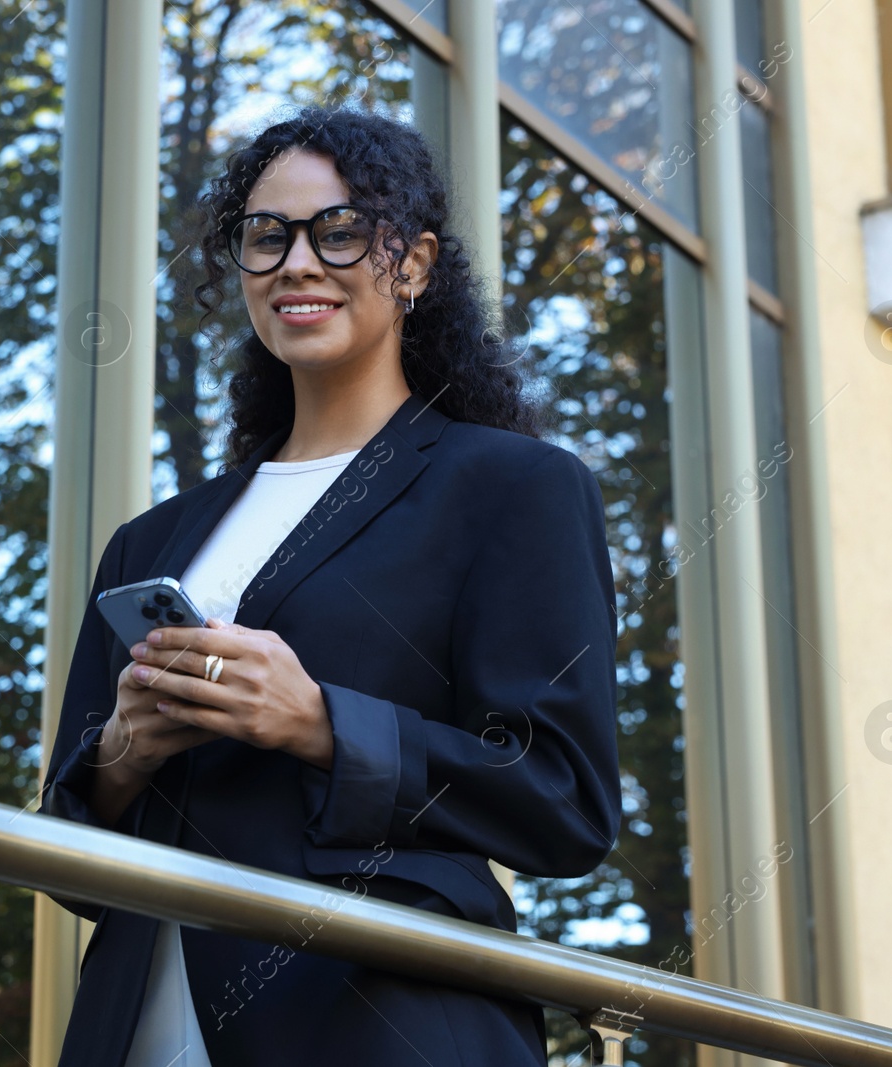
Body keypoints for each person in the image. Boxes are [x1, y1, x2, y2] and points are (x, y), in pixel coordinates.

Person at [38, 105, 621, 1067]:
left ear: (417, 264)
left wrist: (315, 722)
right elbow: (71, 855)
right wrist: (126, 754)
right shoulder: (152, 540)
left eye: (339, 230)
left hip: (377, 1020)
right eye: (265, 238)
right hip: (135, 1024)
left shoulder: (514, 487)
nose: (297, 263)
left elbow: (564, 801)